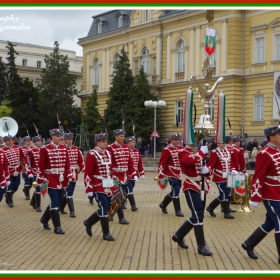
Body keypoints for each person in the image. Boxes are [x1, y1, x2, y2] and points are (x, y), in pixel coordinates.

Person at [171, 89, 212, 256]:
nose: (195, 139)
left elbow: (200, 163)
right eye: (193, 136)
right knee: (198, 214)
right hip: (190, 185)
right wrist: (202, 153)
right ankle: (201, 246)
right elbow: (189, 161)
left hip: (202, 184)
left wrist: (206, 170)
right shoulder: (182, 151)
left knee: (198, 214)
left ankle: (179, 235)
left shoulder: (197, 150)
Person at [242, 125, 280, 264]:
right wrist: (255, 196)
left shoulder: (277, 151)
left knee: (270, 223)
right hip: (270, 193)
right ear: (272, 137)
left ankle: (248, 244)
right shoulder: (265, 153)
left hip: (278, 191)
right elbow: (259, 176)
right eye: (279, 135)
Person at [38, 129, 72, 234]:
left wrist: (69, 174)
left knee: (57, 200)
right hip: (50, 178)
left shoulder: (64, 148)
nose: (59, 138)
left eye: (60, 136)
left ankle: (44, 218)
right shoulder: (45, 149)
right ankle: (57, 226)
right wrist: (41, 179)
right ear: (52, 136)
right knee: (55, 200)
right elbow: (41, 165)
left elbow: (67, 164)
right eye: (57, 136)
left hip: (62, 179)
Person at [83, 133, 115, 241]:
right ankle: (106, 233)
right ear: (97, 143)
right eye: (103, 142)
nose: (106, 143)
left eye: (106, 141)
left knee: (106, 206)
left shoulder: (108, 153)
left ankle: (88, 222)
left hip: (108, 184)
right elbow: (88, 172)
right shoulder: (92, 154)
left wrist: (114, 183)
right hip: (97, 183)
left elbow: (111, 169)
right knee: (104, 206)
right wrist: (89, 189)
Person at [107, 128, 137, 224]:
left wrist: (133, 173)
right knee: (118, 196)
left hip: (124, 175)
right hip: (115, 175)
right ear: (116, 137)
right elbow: (109, 163)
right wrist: (111, 174)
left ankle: (109, 213)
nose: (123, 138)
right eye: (121, 136)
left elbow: (130, 162)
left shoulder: (126, 147)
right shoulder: (110, 148)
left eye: (123, 136)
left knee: (121, 196)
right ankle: (121, 218)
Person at [206, 135, 237, 219]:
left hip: (230, 176)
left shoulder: (228, 151)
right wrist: (208, 177)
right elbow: (211, 165)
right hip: (220, 176)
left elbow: (232, 162)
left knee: (228, 193)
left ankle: (210, 207)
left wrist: (233, 169)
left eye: (224, 142)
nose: (223, 144)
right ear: (217, 143)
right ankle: (226, 213)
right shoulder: (214, 152)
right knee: (224, 194)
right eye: (221, 142)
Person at [158, 134, 185, 217]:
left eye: (178, 140)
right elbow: (162, 163)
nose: (177, 141)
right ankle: (178, 210)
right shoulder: (167, 150)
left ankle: (163, 204)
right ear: (171, 140)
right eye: (175, 140)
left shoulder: (181, 148)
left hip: (179, 172)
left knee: (175, 190)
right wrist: (161, 174)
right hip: (170, 172)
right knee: (176, 189)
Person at [59, 133, 85, 217]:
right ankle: (72, 211)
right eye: (68, 139)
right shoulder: (62, 149)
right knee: (69, 192)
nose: (70, 141)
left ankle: (61, 207)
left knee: (69, 192)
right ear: (65, 140)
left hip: (74, 173)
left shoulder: (76, 149)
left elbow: (80, 161)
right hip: (65, 173)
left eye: (71, 139)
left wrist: (84, 169)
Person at [1, 134, 28, 208]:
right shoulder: (2, 150)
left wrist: (25, 166)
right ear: (5, 141)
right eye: (8, 140)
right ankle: (10, 201)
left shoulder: (17, 148)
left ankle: (8, 195)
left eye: (12, 140)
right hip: (8, 171)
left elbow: (22, 158)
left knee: (16, 185)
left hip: (17, 169)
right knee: (9, 186)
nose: (10, 142)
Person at [123, 135, 145, 211]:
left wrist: (141, 173)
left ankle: (121, 203)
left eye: (135, 142)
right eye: (133, 142)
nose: (134, 143)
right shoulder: (124, 150)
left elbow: (139, 163)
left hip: (134, 173)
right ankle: (133, 205)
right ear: (128, 143)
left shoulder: (136, 151)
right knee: (129, 189)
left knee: (128, 189)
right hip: (127, 173)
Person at [28, 135, 43, 212]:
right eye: (37, 141)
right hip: (34, 173)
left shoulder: (43, 150)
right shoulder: (31, 151)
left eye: (40, 140)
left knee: (40, 188)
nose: (40, 142)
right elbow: (28, 162)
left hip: (42, 173)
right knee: (37, 187)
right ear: (34, 142)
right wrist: (29, 172)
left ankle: (33, 202)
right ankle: (38, 205)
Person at [21, 135, 33, 200]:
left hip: (32, 168)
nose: (29, 142)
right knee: (27, 181)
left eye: (29, 141)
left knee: (32, 182)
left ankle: (25, 190)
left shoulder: (32, 148)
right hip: (25, 168)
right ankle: (27, 195)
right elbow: (21, 158)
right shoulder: (22, 149)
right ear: (24, 142)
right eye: (27, 141)